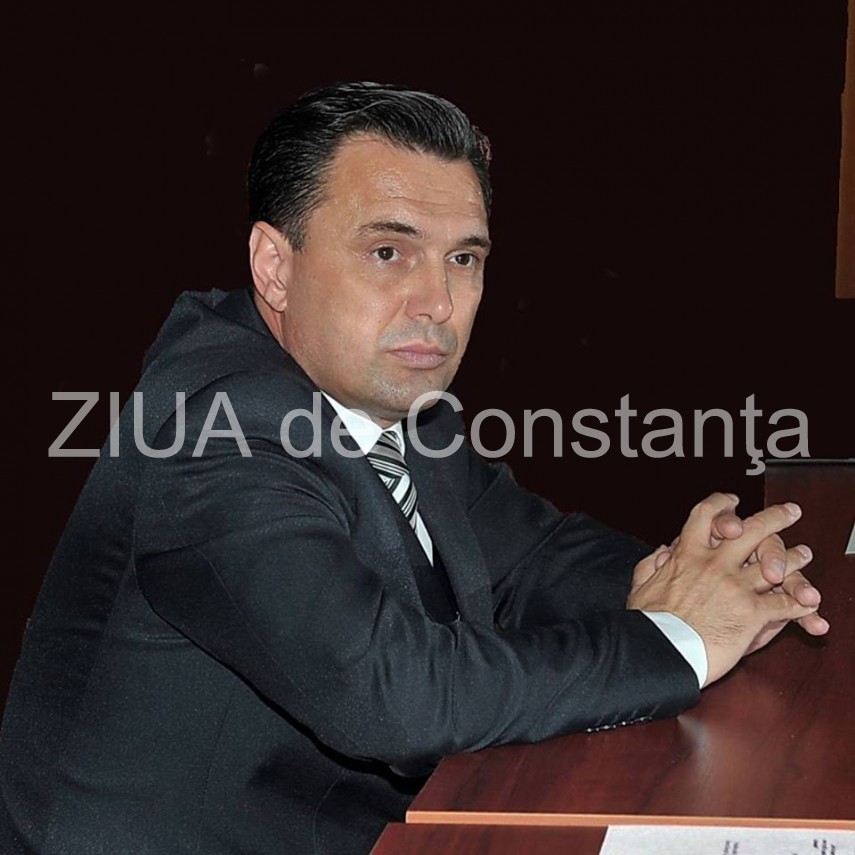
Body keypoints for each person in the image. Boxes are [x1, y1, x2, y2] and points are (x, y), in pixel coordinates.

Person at [0, 82, 827, 854]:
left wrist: (706, 579)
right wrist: (675, 638)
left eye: (463, 258)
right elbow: (388, 693)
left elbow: (531, 556)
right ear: (274, 266)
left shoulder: (388, 399)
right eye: (388, 252)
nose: (437, 302)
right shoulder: (216, 434)